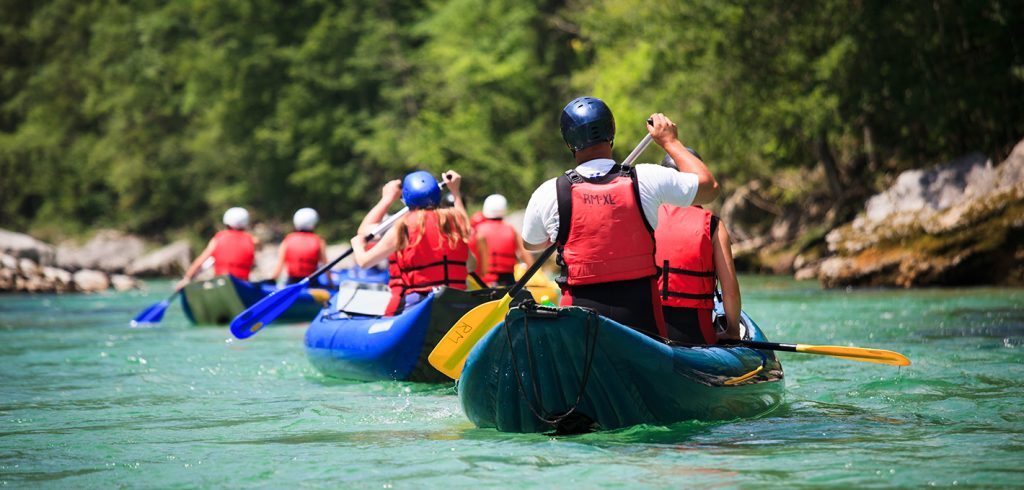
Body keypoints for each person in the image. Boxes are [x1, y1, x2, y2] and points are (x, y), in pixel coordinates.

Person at [521, 96, 719, 338]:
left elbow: (532, 244)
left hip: (580, 321)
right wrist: (670, 142)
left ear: (569, 143)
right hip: (641, 320)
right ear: (610, 132)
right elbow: (709, 187)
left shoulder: (548, 192)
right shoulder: (647, 178)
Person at [350, 170, 474, 315]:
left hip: (420, 303)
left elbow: (365, 260)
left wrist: (387, 198)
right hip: (458, 301)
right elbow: (471, 264)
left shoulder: (403, 227)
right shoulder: (455, 221)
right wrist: (456, 192)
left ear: (406, 199)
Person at [655, 154, 741, 344]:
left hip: (646, 329)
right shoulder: (713, 225)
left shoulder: (644, 215)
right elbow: (730, 290)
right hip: (695, 333)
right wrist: (733, 331)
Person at [177, 207, 257, 289]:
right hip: (242, 285)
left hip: (221, 283)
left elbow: (201, 260)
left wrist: (187, 278)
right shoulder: (253, 240)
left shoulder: (218, 238)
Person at [471, 194, 534, 287]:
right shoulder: (511, 230)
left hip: (483, 283)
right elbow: (529, 262)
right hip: (508, 283)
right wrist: (520, 283)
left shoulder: (477, 230)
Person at [268, 207, 328, 284]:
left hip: (292, 282)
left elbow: (280, 264)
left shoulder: (287, 240)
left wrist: (272, 281)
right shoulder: (319, 241)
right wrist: (330, 284)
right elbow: (325, 265)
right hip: (311, 283)